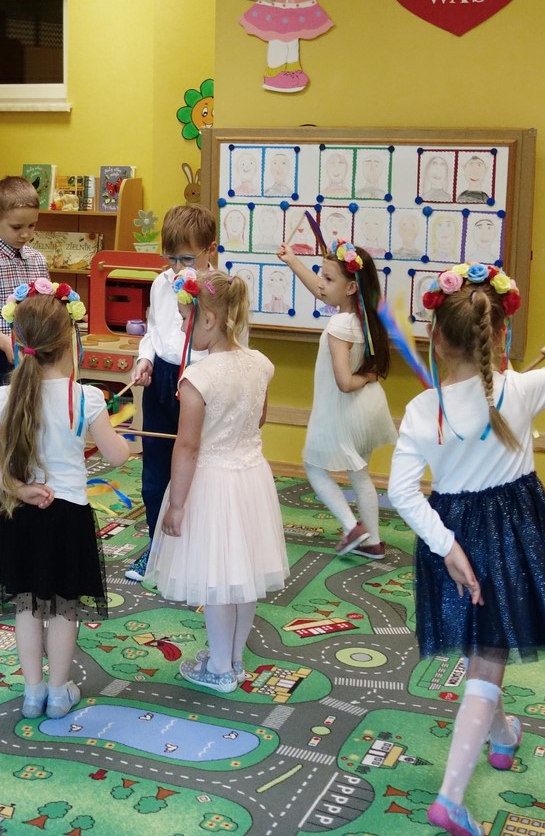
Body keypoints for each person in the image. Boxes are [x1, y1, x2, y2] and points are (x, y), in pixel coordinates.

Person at [388, 263, 545, 836]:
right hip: (512, 535)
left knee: (481, 646)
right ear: (498, 336)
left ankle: (502, 733)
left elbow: (401, 492)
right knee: (489, 658)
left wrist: (447, 547)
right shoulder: (520, 389)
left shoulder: (423, 410)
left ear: (436, 339)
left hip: (451, 534)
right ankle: (450, 796)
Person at [0, 286, 131, 718]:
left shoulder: (6, 396)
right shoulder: (85, 397)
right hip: (68, 516)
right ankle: (58, 694)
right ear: (68, 341)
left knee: (26, 604)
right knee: (63, 606)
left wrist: (18, 488)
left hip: (20, 514)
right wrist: (120, 427)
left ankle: (32, 693)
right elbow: (117, 455)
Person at [144, 269, 289, 691]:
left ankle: (220, 669)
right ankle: (235, 657)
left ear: (208, 319)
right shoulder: (261, 364)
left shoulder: (198, 377)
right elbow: (259, 418)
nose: (183, 328)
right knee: (243, 574)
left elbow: (188, 447)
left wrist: (176, 505)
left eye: (185, 320)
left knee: (218, 578)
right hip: (252, 477)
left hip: (212, 483)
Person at [278, 238, 397, 558]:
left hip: (345, 407)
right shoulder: (364, 317)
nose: (321, 284)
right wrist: (293, 261)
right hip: (369, 408)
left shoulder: (339, 325)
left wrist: (365, 377)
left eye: (328, 278)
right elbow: (321, 290)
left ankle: (351, 527)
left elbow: (344, 382)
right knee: (360, 473)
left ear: (350, 288)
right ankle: (372, 541)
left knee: (314, 467)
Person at [127, 205, 217, 582]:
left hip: (202, 382)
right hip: (162, 381)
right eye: (171, 258)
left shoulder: (221, 291)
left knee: (198, 471)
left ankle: (198, 553)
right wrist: (145, 359)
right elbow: (153, 330)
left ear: (211, 250)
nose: (178, 268)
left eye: (187, 259)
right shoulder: (162, 283)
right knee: (154, 474)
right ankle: (157, 547)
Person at [0, 178, 48, 579]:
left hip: (33, 362)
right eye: (17, 227)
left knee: (29, 445)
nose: (26, 234)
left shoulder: (36, 258)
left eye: (32, 225)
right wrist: (6, 344)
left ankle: (24, 539)